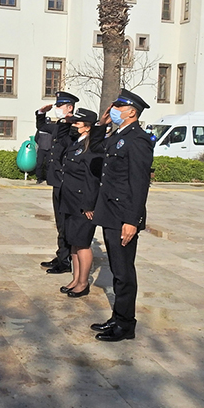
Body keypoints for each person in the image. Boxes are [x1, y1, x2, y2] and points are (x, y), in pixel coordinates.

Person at [89, 89, 154, 342]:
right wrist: (101, 124)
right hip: (110, 213)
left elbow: (139, 185)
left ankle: (126, 325)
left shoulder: (138, 140)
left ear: (131, 112)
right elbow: (95, 148)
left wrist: (132, 220)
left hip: (123, 215)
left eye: (118, 106)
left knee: (124, 272)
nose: (113, 109)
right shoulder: (119, 135)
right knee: (117, 269)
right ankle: (118, 317)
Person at [57, 108, 103, 298]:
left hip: (83, 203)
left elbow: (92, 179)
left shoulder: (92, 146)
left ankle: (83, 283)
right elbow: (60, 137)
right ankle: (76, 279)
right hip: (69, 201)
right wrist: (65, 121)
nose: (73, 126)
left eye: (77, 123)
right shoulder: (76, 142)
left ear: (87, 128)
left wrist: (89, 205)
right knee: (73, 243)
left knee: (82, 244)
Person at [36, 91, 79, 274]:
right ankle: (61, 254)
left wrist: (68, 121)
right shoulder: (60, 125)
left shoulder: (75, 128)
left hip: (66, 182)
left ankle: (66, 259)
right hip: (57, 181)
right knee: (60, 222)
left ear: (69, 108)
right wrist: (40, 112)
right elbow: (43, 126)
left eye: (60, 106)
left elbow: (66, 139)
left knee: (65, 222)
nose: (57, 109)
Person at [34, 119, 52, 185]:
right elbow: (36, 138)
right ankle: (39, 178)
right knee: (39, 164)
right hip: (41, 149)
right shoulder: (40, 130)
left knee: (49, 165)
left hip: (49, 149)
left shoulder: (52, 130)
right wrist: (40, 143)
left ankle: (48, 178)